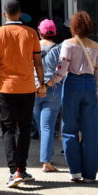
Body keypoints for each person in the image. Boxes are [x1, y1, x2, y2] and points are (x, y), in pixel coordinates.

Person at [0, 0, 46, 188]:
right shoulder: (31, 33)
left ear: (5, 14)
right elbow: (38, 62)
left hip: (6, 88)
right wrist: (41, 84)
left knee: (9, 129)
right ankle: (22, 169)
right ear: (20, 13)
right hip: (27, 87)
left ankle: (14, 171)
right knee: (25, 128)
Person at [45, 11, 98, 183]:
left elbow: (62, 68)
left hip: (72, 84)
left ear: (73, 26)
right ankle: (90, 175)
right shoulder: (96, 46)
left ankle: (75, 172)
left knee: (69, 129)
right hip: (90, 85)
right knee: (90, 132)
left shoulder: (68, 44)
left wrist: (49, 83)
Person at [33, 19, 62, 173]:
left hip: (34, 89)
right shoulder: (58, 49)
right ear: (54, 33)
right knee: (47, 126)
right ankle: (46, 161)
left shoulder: (33, 46)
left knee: (41, 125)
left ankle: (47, 154)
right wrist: (47, 85)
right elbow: (60, 72)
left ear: (40, 32)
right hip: (52, 90)